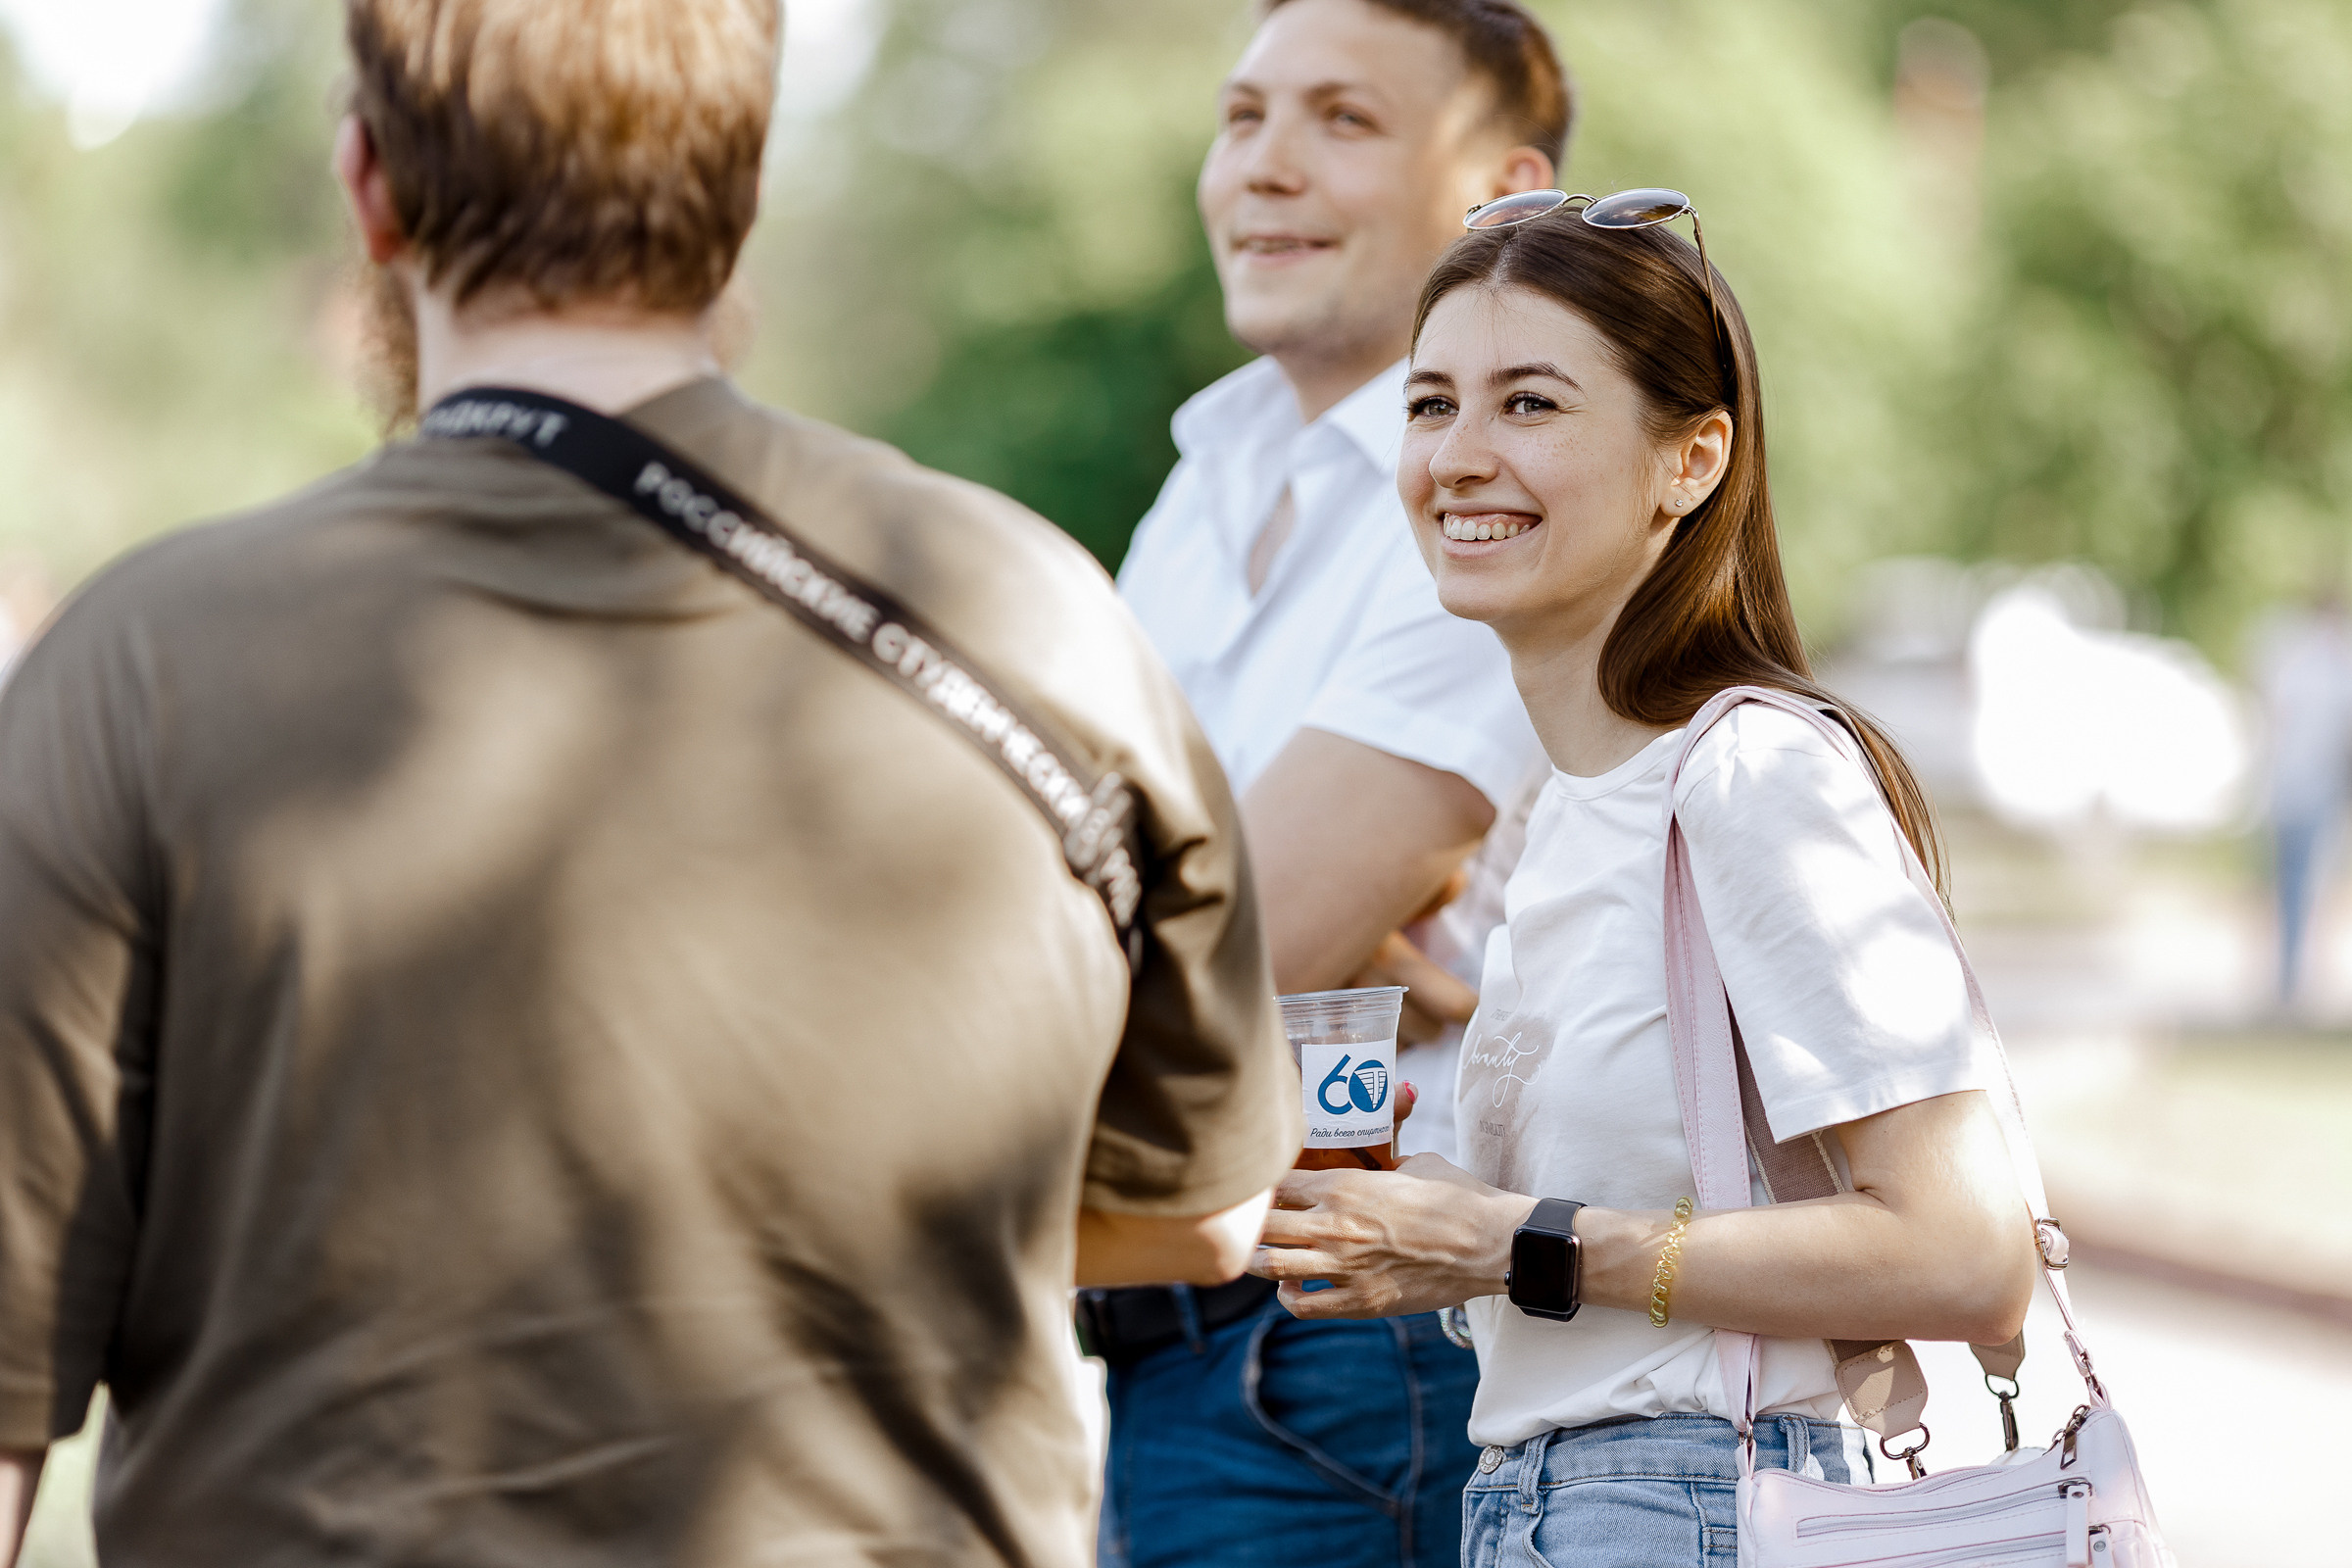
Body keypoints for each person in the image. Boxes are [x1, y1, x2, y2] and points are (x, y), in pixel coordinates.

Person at [0, 2, 1301, 1564]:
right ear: (739, 197)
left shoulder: (140, 660)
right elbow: (1206, 1210)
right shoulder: (1048, 627)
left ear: (370, 187)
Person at [1246, 197, 2040, 1564]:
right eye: (1431, 405)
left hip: (1693, 1504)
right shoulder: (1570, 810)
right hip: (1546, 1506)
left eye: (1530, 405)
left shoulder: (1748, 776)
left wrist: (1513, 1243)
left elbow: (1972, 1255)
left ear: (1691, 460)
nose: (1459, 457)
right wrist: (1429, 1224)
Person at [1096, 2, 1566, 1564]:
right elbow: (1118, 909)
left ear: (1501, 193)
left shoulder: (1488, 501)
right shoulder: (1200, 486)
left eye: (1344, 122)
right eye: (1241, 118)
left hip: (1357, 1342)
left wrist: (1184, 918)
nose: (1267, 167)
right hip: (1177, 1329)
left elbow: (1253, 946)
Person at [2253, 587, 2352, 1007]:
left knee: (2292, 888)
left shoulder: (2300, 663)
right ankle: (2292, 981)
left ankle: (2292, 981)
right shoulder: (2329, 670)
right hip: (2303, 792)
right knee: (2301, 888)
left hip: (2294, 791)